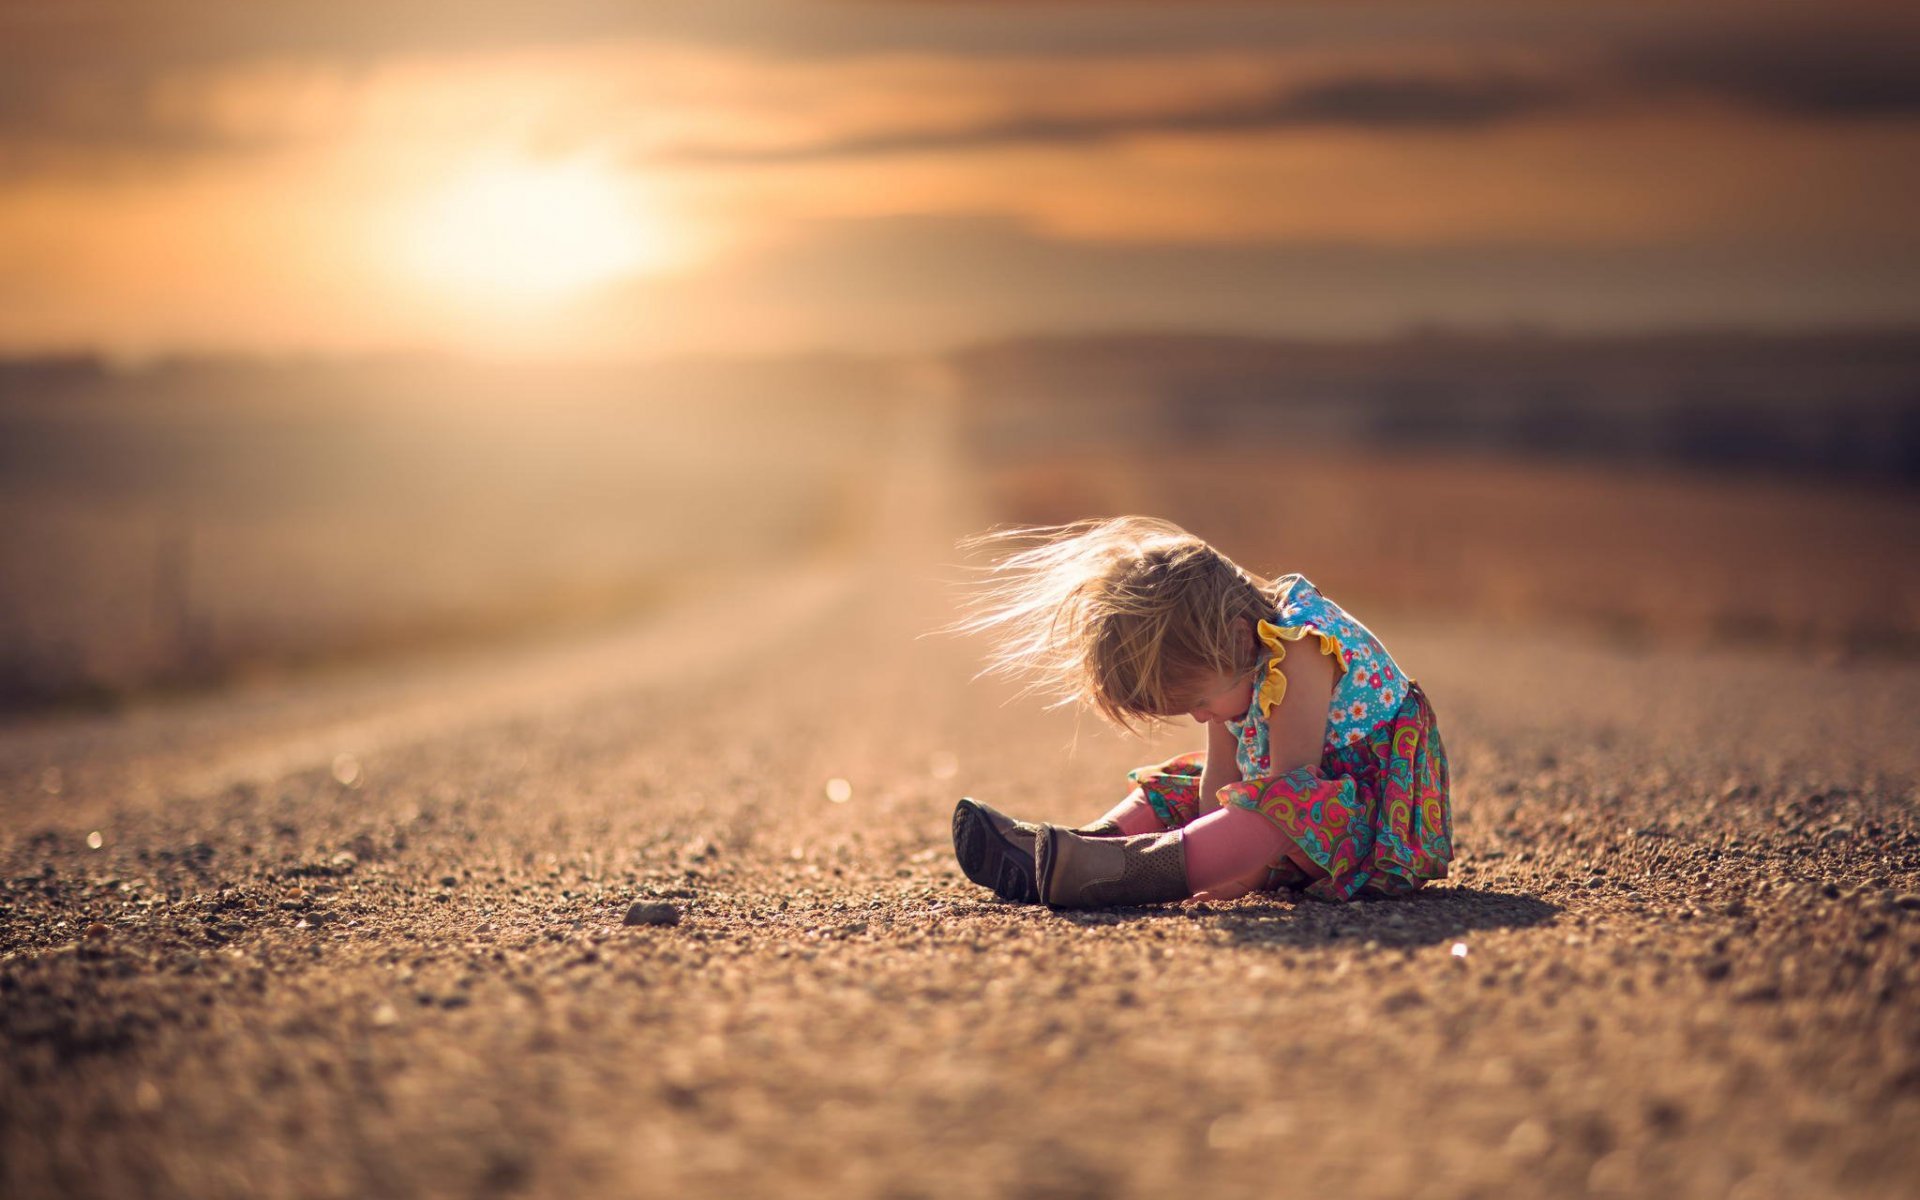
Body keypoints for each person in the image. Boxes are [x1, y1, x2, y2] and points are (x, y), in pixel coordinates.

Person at [949, 516, 1452, 908]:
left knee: (1284, 804)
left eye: (1198, 702)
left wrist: (1237, 876)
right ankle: (1083, 847)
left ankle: (1119, 871)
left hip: (1373, 820)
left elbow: (1292, 785)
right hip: (1310, 811)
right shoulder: (1237, 658)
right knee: (1178, 785)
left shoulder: (1302, 648)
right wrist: (1212, 838)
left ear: (1233, 637)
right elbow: (1221, 776)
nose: (1199, 717)